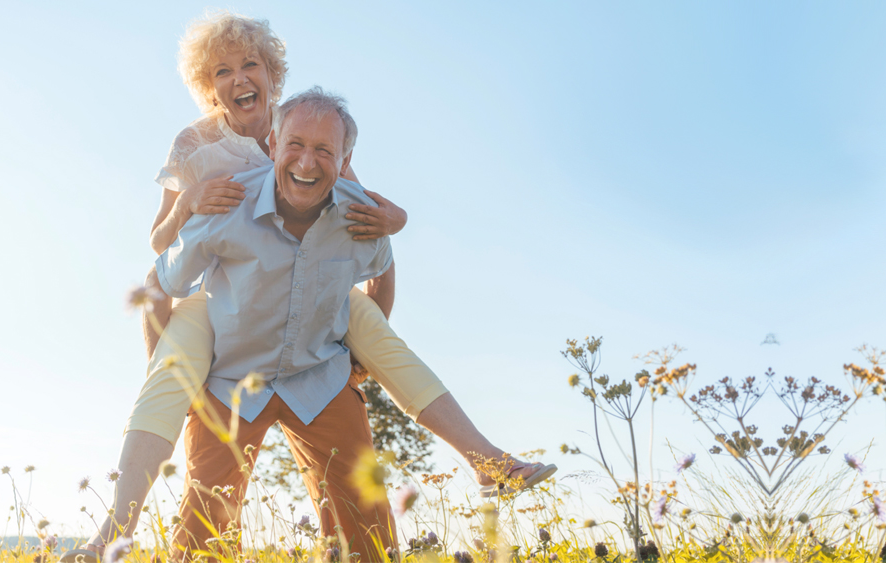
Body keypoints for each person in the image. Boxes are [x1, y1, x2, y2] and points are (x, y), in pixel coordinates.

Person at [60, 11, 554, 563]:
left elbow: (367, 222)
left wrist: (396, 224)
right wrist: (190, 203)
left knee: (378, 342)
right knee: (175, 390)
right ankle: (112, 534)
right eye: (222, 71)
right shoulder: (201, 151)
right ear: (211, 88)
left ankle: (485, 459)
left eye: (251, 64)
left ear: (273, 75)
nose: (239, 78)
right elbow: (161, 252)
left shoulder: (312, 135)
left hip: (315, 313)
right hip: (228, 305)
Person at [160, 88, 396, 559]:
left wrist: (359, 363)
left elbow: (382, 268)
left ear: (345, 160)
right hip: (231, 379)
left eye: (324, 150)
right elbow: (166, 280)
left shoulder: (358, 214)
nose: (307, 162)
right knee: (203, 526)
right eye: (296, 144)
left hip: (319, 376)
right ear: (273, 144)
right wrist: (177, 377)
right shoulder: (229, 201)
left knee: (366, 524)